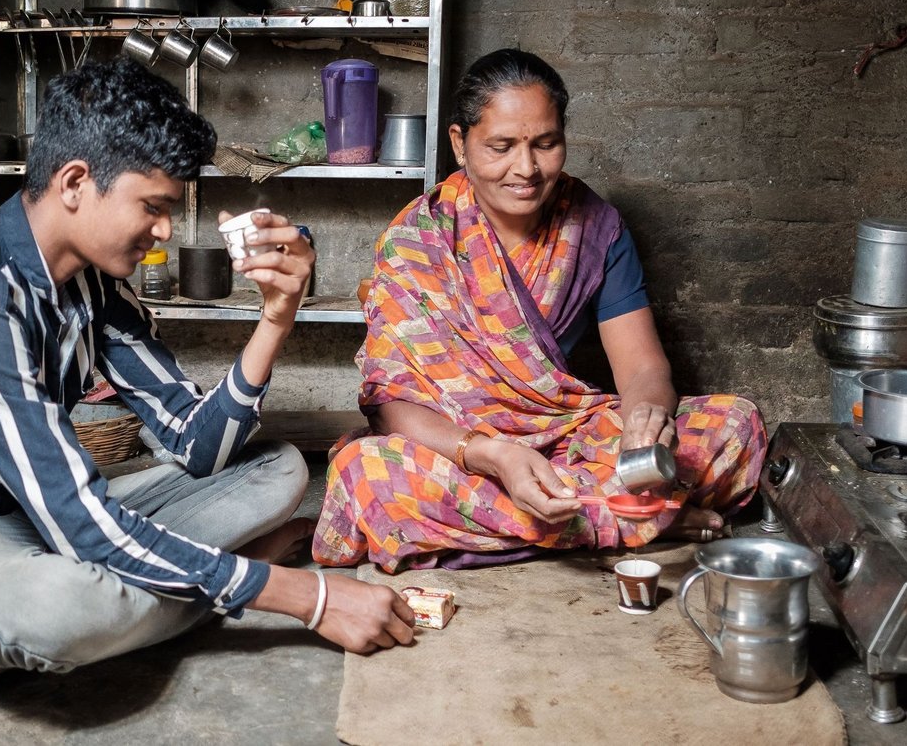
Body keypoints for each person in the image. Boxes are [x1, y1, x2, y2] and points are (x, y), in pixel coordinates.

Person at [0, 57, 415, 729]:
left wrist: (275, 319)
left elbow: (196, 447)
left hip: (21, 517)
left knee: (277, 469)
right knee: (72, 610)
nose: (164, 232)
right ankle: (1, 650)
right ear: (74, 183)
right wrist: (306, 596)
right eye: (152, 208)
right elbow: (81, 522)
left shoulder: (93, 287)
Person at [313, 48, 766, 573]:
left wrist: (648, 417)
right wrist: (495, 456)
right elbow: (393, 409)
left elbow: (641, 368)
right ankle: (633, 518)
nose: (525, 169)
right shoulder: (418, 239)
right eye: (501, 147)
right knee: (368, 473)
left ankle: (577, 521)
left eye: (546, 145)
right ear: (460, 144)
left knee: (735, 424)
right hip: (465, 454)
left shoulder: (594, 226)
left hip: (567, 438)